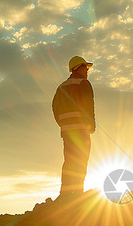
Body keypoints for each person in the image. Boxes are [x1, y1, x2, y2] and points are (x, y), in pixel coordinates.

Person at [52, 56, 96, 198]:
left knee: (69, 161)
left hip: (67, 131)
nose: (87, 71)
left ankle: (65, 193)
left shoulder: (61, 87)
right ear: (78, 68)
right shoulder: (84, 83)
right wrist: (91, 125)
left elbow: (54, 107)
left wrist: (63, 124)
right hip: (81, 130)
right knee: (81, 160)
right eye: (85, 67)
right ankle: (77, 193)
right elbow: (88, 105)